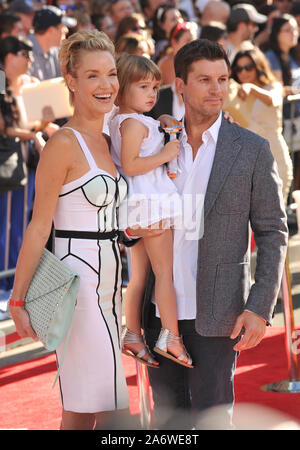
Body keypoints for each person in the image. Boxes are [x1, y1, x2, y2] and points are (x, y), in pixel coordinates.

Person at [142, 38, 288, 430]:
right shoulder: (154, 143)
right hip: (160, 312)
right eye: (204, 80)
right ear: (181, 86)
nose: (217, 89)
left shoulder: (251, 149)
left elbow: (273, 231)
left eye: (222, 79)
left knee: (213, 421)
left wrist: (259, 306)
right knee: (167, 424)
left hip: (219, 312)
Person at [8, 29, 132, 430]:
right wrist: (18, 298)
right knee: (114, 410)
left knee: (81, 409)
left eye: (111, 74)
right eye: (93, 75)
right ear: (71, 81)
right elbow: (38, 225)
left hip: (114, 288)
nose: (106, 85)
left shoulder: (115, 136)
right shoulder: (63, 143)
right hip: (78, 289)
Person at [109, 54, 193, 369]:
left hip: (141, 206)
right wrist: (167, 152)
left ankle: (132, 333)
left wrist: (161, 123)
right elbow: (131, 165)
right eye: (143, 86)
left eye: (155, 87)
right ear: (121, 88)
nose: (151, 94)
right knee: (165, 273)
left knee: (141, 275)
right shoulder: (131, 122)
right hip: (150, 205)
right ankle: (170, 336)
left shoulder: (126, 120)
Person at [229, 46, 293, 203]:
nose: (243, 72)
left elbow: (274, 99)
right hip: (246, 158)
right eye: (239, 68)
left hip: (274, 154)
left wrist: (252, 89)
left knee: (275, 211)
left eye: (248, 67)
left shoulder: (273, 86)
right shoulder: (235, 92)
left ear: (258, 66)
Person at [27, 5, 77, 81]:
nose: (66, 30)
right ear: (51, 31)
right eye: (62, 26)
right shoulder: (23, 51)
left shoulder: (56, 50)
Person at [157, 21, 197, 86]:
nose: (193, 45)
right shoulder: (165, 63)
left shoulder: (199, 61)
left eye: (194, 40)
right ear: (174, 42)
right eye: (188, 40)